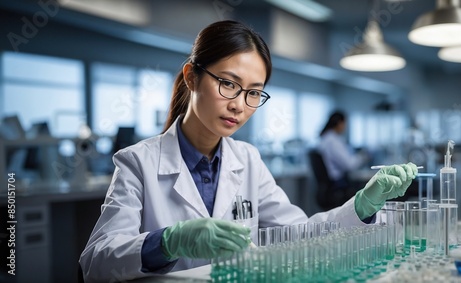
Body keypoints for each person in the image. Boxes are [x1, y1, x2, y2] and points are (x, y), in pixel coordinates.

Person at [79, 20, 418, 282]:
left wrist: (360, 207)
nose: (240, 105)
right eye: (228, 84)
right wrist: (167, 242)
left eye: (254, 93)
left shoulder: (247, 159)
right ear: (192, 78)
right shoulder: (138, 161)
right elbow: (95, 262)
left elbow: (299, 235)